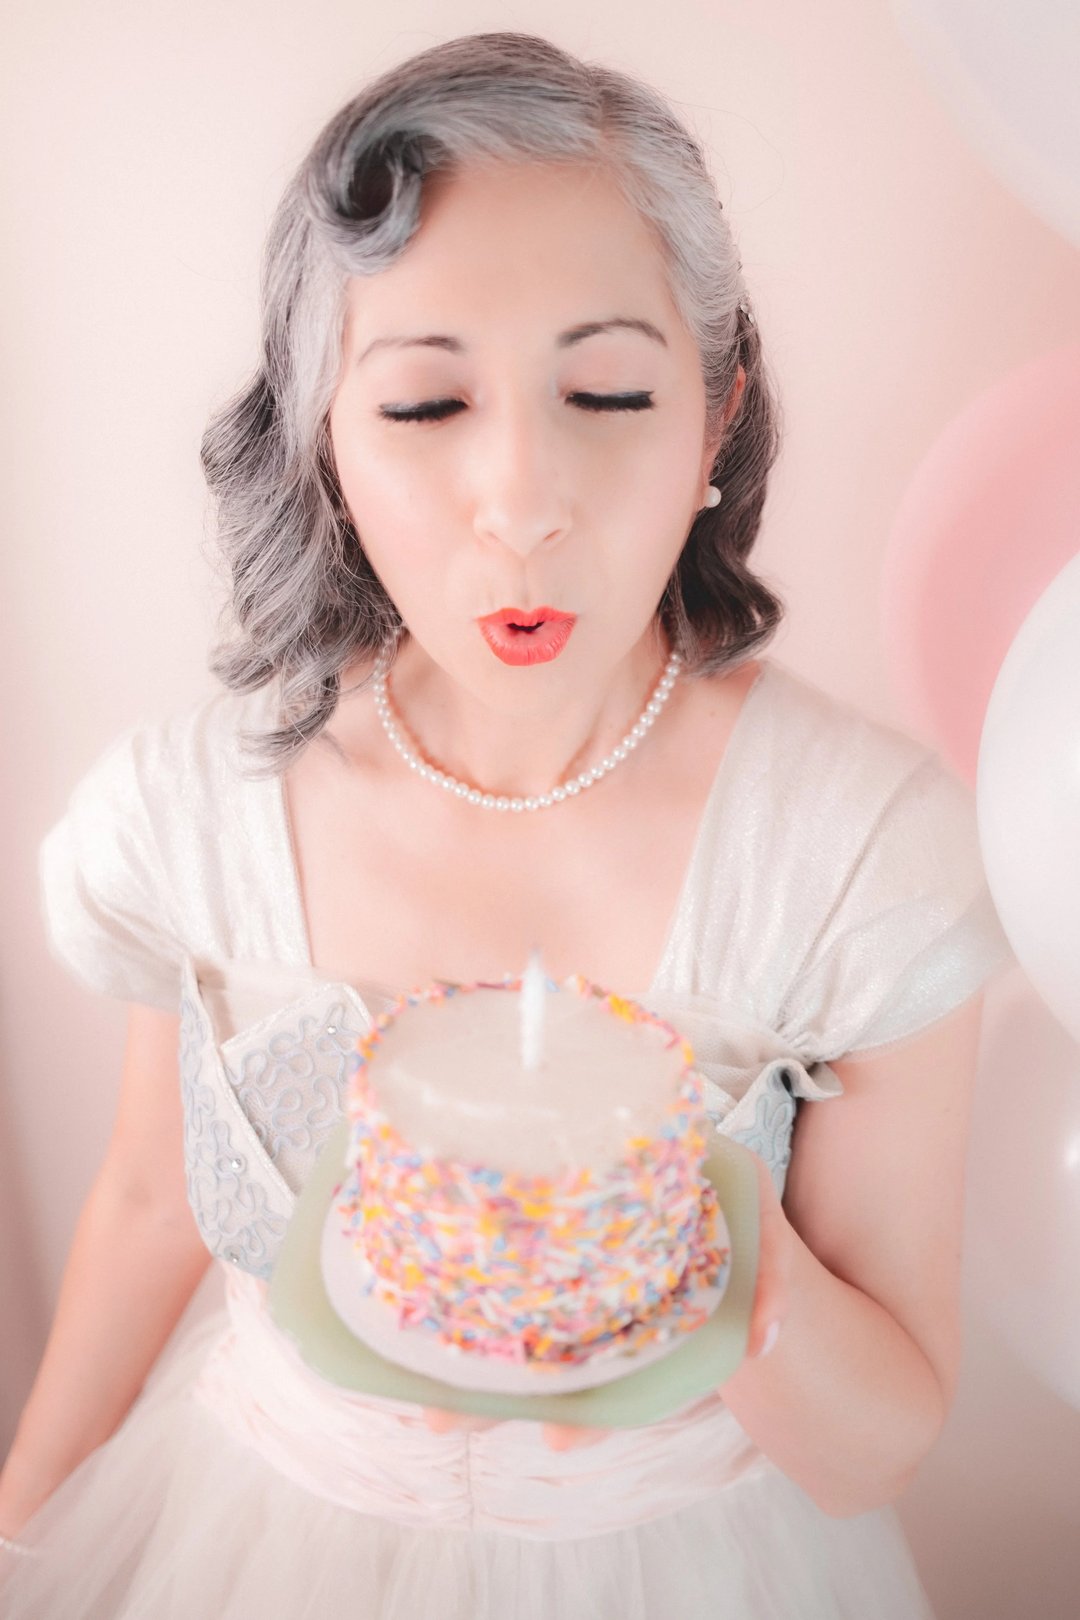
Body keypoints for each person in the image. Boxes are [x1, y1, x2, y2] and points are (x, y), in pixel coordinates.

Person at [0, 29, 1015, 1619]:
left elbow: (876, 1441)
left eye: (606, 388)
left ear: (714, 415)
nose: (522, 496)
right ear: (325, 430)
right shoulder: (202, 812)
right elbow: (142, 1205)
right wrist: (21, 1537)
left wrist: (691, 1252)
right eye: (423, 406)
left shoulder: (856, 857)